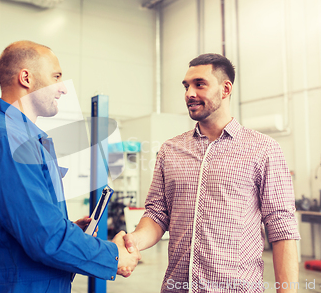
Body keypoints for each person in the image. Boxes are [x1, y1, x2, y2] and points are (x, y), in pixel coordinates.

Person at [0, 40, 138, 293]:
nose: (62, 88)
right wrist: (114, 256)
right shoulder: (6, 141)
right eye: (56, 77)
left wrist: (70, 229)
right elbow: (45, 238)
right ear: (26, 78)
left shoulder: (20, 138)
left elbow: (24, 222)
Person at [123, 54, 300, 293]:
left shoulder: (264, 149)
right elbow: (157, 214)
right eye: (186, 86)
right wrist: (133, 241)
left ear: (225, 89)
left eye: (199, 84)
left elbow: (281, 227)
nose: (189, 93)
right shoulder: (170, 150)